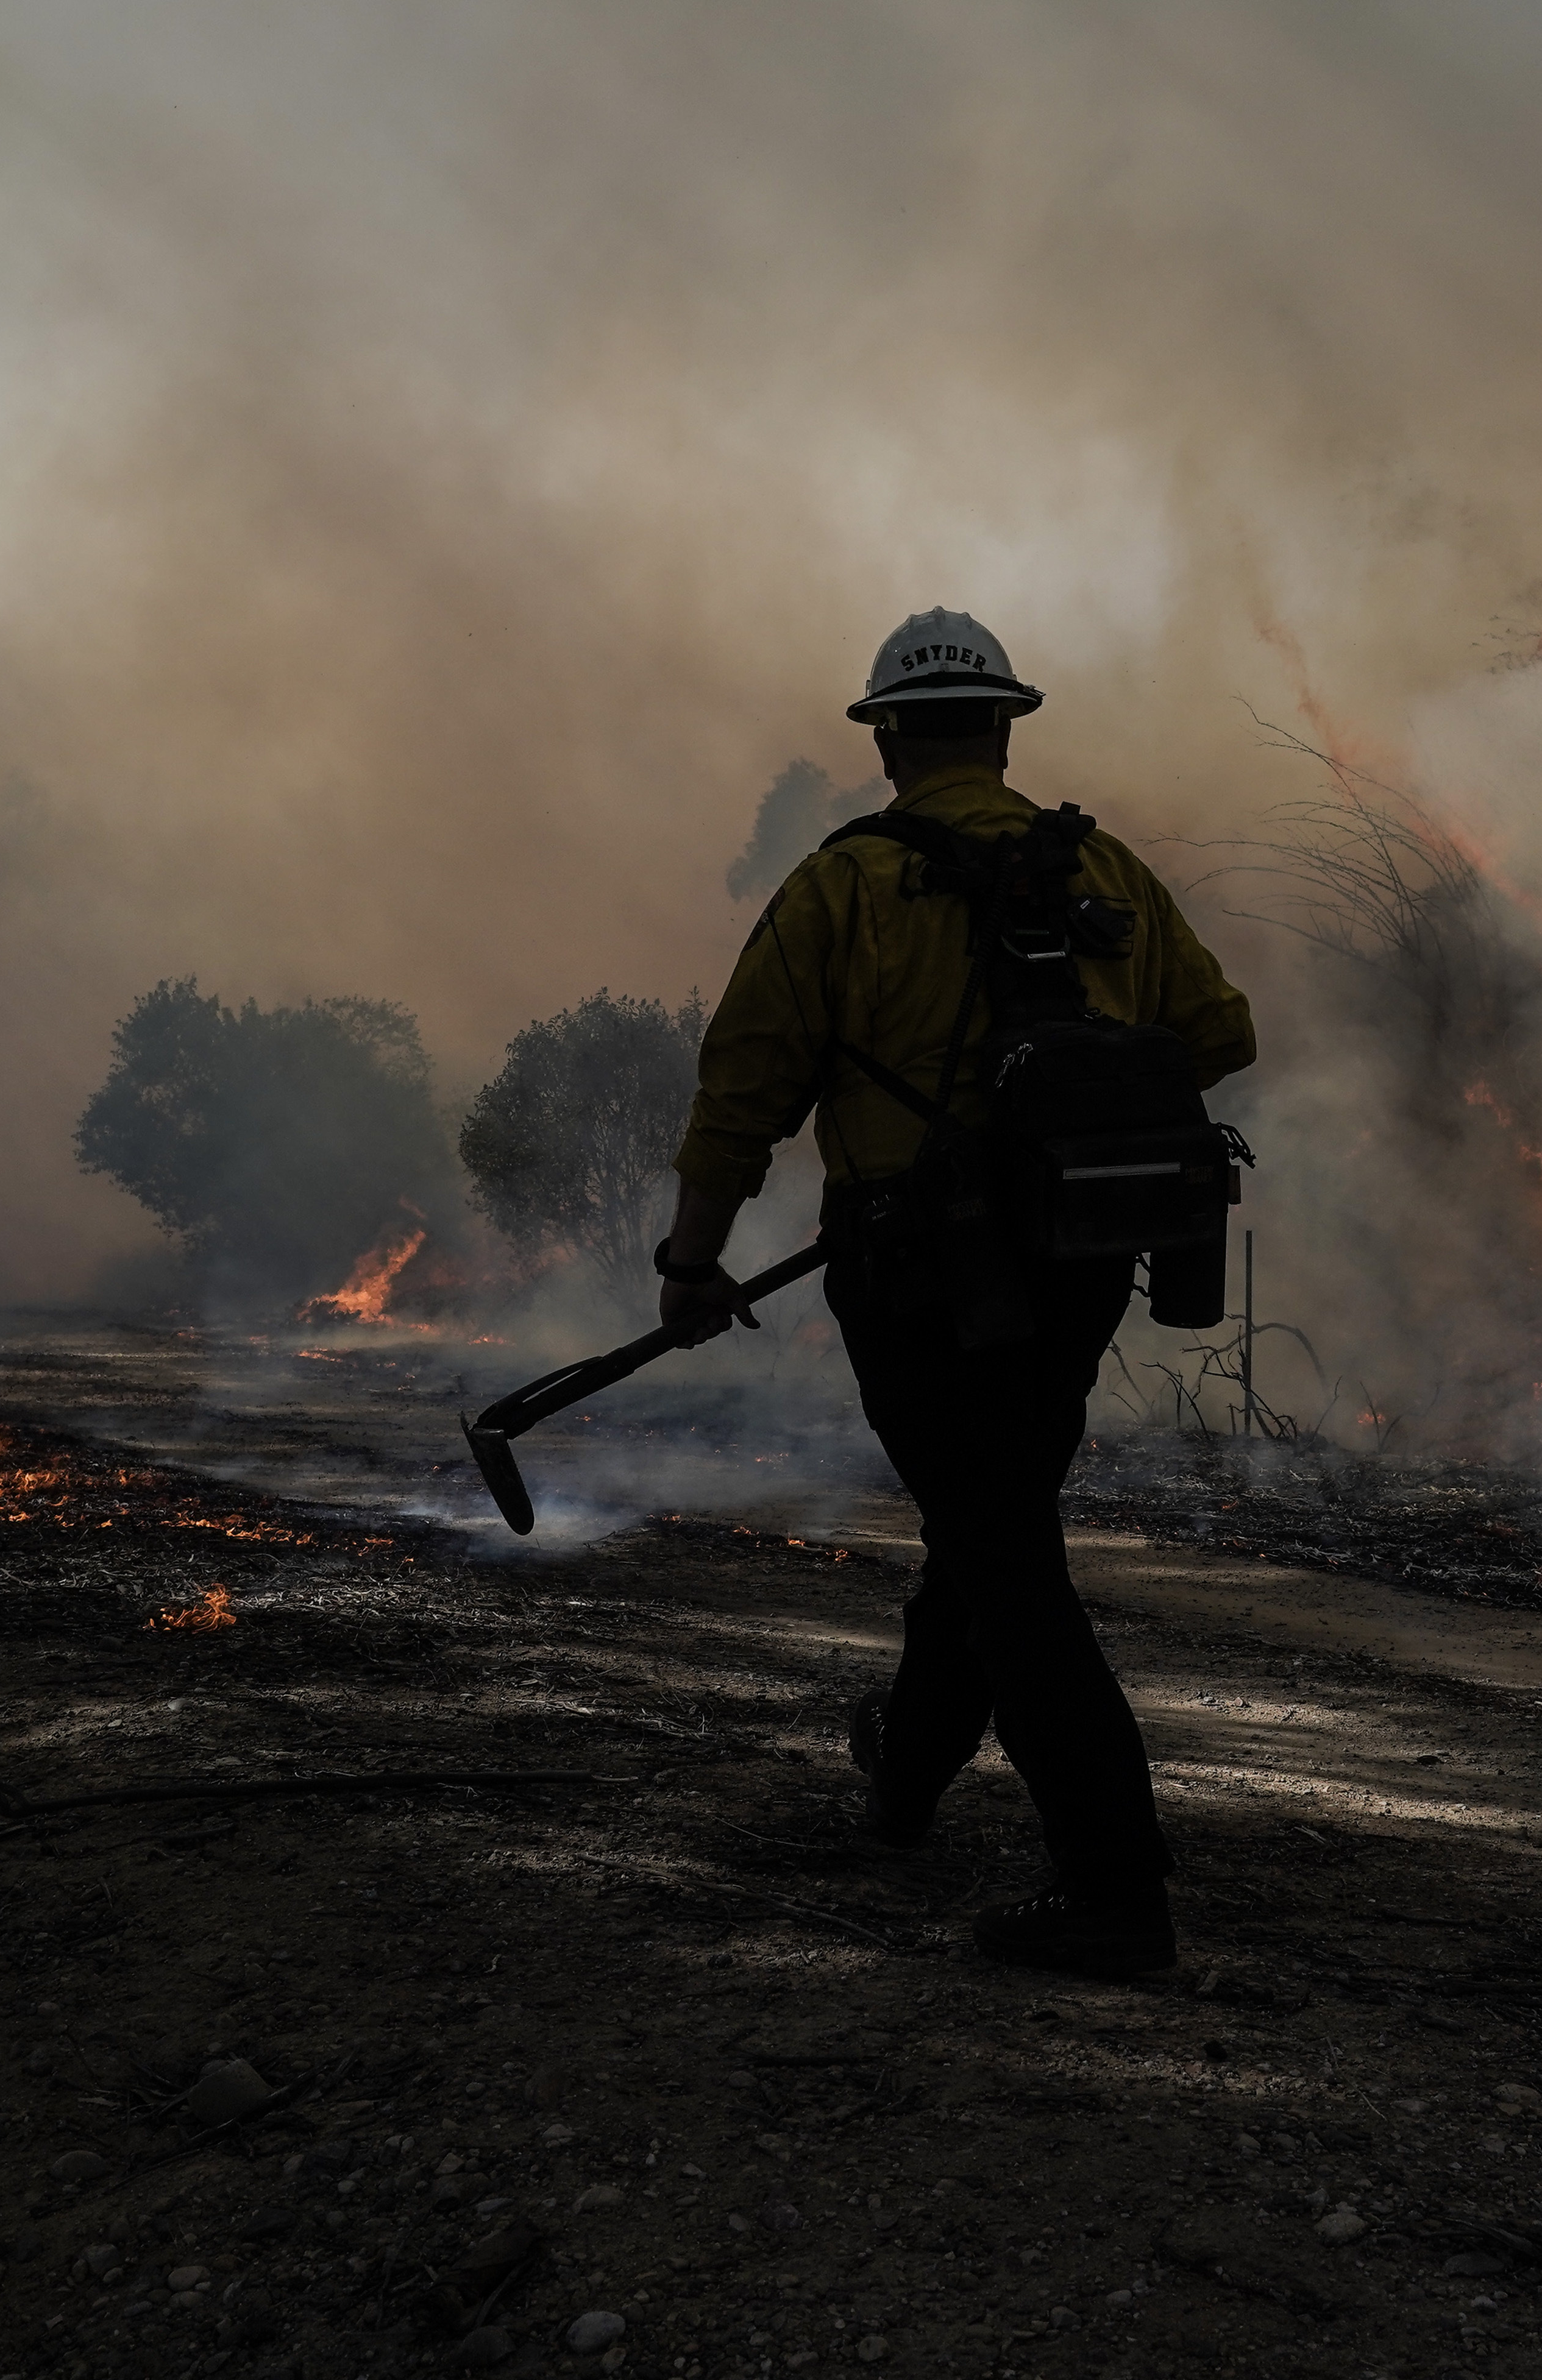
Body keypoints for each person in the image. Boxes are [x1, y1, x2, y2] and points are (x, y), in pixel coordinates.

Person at [655, 607, 1256, 1978]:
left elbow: (740, 1094)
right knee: (988, 1517)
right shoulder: (1097, 867)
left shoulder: (844, 885)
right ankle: (909, 1778)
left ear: (885, 743)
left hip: (914, 1271)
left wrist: (691, 1268)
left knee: (998, 1550)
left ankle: (1112, 1889)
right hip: (1082, 1264)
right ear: (1001, 727)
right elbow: (1222, 1031)